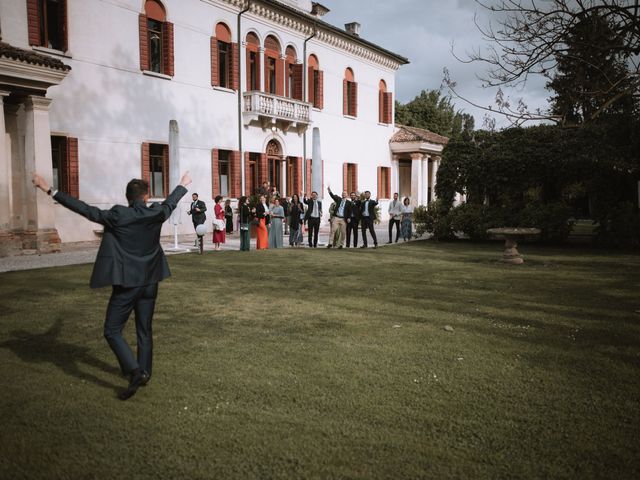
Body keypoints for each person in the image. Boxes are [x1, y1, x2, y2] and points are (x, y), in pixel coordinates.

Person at [31, 170, 191, 400]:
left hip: (128, 282)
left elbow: (85, 209)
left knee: (112, 330)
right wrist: (182, 184)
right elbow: (170, 203)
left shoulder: (118, 215)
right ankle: (144, 371)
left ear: (128, 198)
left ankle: (136, 371)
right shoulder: (155, 213)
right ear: (146, 197)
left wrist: (48, 189)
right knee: (144, 330)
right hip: (150, 281)